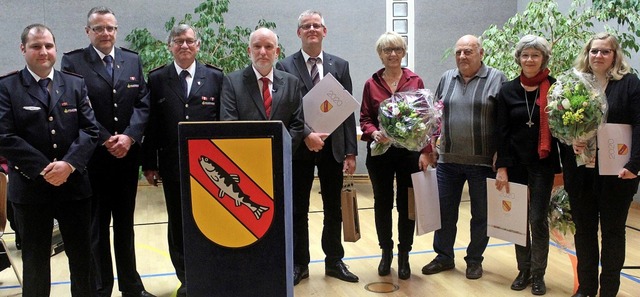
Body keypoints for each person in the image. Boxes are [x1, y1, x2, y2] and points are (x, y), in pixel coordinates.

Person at [0, 23, 99, 296]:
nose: (43, 52)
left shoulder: (75, 83)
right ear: (23, 49)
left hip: (74, 187)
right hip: (31, 190)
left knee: (82, 260)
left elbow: (91, 130)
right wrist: (45, 169)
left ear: (55, 49)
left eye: (48, 46)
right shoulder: (7, 87)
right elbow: (4, 136)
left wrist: (68, 165)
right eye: (35, 46)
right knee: (35, 263)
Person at [61, 6, 154, 297]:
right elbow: (75, 106)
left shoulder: (132, 59)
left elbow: (143, 102)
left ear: (116, 30)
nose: (106, 33)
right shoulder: (74, 61)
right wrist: (104, 138)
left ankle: (131, 287)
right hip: (94, 160)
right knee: (97, 228)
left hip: (126, 159)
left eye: (110, 28)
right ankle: (101, 288)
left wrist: (129, 137)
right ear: (88, 31)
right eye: (99, 28)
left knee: (125, 226)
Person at [275, 10, 358, 285]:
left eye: (317, 25)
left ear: (325, 31)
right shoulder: (285, 66)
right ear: (299, 33)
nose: (312, 29)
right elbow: (287, 109)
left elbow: (346, 112)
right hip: (300, 147)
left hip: (333, 148)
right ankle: (300, 263)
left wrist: (350, 152)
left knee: (333, 209)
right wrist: (308, 134)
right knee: (299, 209)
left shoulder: (340, 65)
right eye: (306, 26)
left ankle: (334, 261)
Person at [142, 23, 223, 297]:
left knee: (209, 222)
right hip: (173, 166)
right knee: (178, 224)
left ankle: (210, 273)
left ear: (197, 45)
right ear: (170, 46)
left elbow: (223, 123)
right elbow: (151, 125)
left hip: (209, 168)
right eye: (178, 41)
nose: (184, 46)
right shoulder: (156, 79)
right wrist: (149, 164)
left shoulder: (215, 77)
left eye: (189, 41)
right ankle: (186, 277)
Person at [421, 35, 506, 280]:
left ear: (481, 53)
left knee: (481, 215)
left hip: (483, 162)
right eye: (458, 52)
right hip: (448, 161)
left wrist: (502, 153)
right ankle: (444, 256)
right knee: (445, 212)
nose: (462, 57)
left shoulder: (497, 78)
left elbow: (505, 121)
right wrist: (431, 144)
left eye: (468, 51)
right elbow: (434, 116)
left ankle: (474, 260)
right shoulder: (447, 78)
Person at [563, 33, 640, 297]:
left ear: (615, 56)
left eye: (605, 52)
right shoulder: (575, 84)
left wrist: (635, 164)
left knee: (613, 233)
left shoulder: (630, 84)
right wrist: (571, 141)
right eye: (594, 51)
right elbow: (562, 123)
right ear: (587, 53)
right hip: (581, 172)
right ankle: (586, 288)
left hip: (617, 174)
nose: (598, 56)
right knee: (583, 232)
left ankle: (608, 290)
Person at [494, 35, 560, 295]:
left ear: (543, 59)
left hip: (543, 164)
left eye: (535, 55)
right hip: (515, 164)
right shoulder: (508, 90)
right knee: (518, 220)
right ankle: (524, 269)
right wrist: (502, 167)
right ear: (518, 59)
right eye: (525, 55)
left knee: (537, 219)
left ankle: (539, 274)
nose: (529, 59)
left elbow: (563, 133)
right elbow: (502, 132)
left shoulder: (555, 89)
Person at [360, 31, 429, 280]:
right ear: (380, 54)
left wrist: (425, 150)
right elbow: (365, 118)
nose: (392, 54)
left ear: (404, 52)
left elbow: (424, 117)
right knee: (382, 202)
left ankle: (404, 255)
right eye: (387, 50)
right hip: (380, 154)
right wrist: (374, 132)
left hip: (408, 154)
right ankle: (386, 252)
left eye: (397, 49)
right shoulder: (371, 83)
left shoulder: (415, 80)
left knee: (406, 204)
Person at [220, 27, 305, 153]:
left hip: (282, 157)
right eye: (257, 46)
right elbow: (229, 124)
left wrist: (280, 152)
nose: (263, 52)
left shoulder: (291, 83)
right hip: (245, 158)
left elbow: (297, 125)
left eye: (268, 47)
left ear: (277, 52)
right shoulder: (232, 82)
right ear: (249, 51)